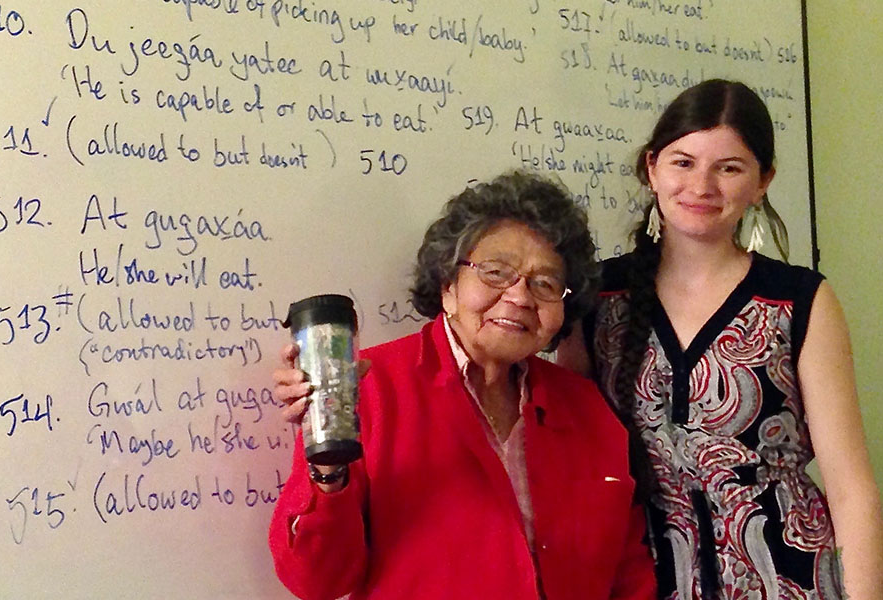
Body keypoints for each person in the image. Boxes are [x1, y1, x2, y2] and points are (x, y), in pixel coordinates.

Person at [560, 79, 883, 599]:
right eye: (682, 162)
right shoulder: (596, 296)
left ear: (763, 181)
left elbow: (851, 489)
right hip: (639, 577)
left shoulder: (799, 300)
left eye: (728, 167)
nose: (701, 186)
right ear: (652, 169)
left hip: (790, 577)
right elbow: (568, 464)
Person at [268, 171, 657, 600]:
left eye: (545, 283)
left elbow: (629, 571)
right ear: (448, 284)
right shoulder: (370, 389)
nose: (520, 297)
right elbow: (317, 580)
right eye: (495, 272)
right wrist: (327, 464)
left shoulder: (586, 410)